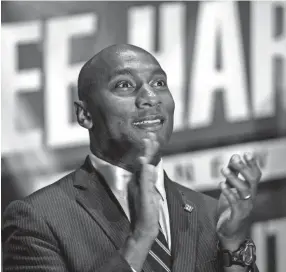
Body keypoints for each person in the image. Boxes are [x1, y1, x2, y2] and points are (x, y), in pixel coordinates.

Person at [2, 44, 261, 272]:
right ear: (85, 115)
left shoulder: (210, 212)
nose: (150, 97)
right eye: (124, 85)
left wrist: (232, 241)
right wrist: (139, 240)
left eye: (159, 83)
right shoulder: (38, 218)